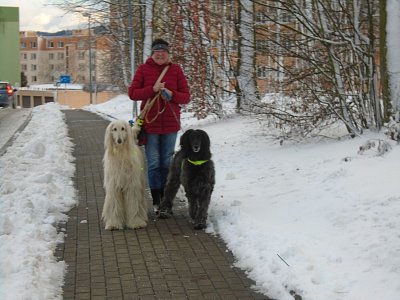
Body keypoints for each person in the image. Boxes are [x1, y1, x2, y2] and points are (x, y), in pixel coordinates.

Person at [128, 38, 190, 213]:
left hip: (170, 125)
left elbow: (186, 97)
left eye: (163, 51)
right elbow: (132, 93)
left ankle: (166, 201)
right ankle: (157, 201)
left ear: (168, 54)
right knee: (154, 163)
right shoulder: (143, 69)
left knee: (167, 163)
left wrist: (172, 94)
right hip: (150, 125)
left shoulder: (176, 70)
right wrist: (152, 89)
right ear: (152, 54)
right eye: (157, 51)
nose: (160, 54)